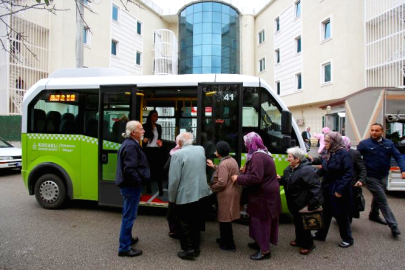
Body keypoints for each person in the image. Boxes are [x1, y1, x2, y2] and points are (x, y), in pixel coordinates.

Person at [231, 132, 281, 261]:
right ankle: (259, 242)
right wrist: (246, 170)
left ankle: (264, 251)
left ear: (251, 143)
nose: (244, 144)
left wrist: (239, 178)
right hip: (265, 193)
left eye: (246, 142)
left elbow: (256, 178)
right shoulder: (262, 153)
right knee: (256, 220)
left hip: (264, 195)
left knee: (261, 222)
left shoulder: (257, 156)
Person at [168, 132, 212, 260]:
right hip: (201, 193)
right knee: (196, 221)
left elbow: (174, 180)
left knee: (184, 223)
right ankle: (196, 248)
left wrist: (172, 198)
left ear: (180, 143)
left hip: (185, 195)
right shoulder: (200, 149)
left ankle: (188, 250)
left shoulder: (177, 155)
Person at [357, 123, 405, 237]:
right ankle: (393, 226)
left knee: (379, 195)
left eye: (377, 130)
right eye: (372, 130)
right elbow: (356, 158)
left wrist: (403, 170)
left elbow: (398, 156)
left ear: (382, 132)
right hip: (371, 176)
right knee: (383, 200)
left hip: (384, 175)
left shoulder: (389, 144)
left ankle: (373, 214)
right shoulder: (364, 144)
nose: (374, 132)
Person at [312, 132, 354, 248]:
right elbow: (325, 169)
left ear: (335, 142)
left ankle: (347, 238)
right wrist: (313, 173)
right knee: (325, 213)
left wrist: (340, 190)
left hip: (338, 188)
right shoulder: (329, 153)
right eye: (324, 141)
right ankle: (321, 234)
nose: (325, 144)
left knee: (341, 215)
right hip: (327, 187)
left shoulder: (344, 155)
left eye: (327, 141)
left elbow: (348, 174)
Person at [278, 147, 323, 255]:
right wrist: (280, 179)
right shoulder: (290, 168)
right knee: (298, 222)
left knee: (304, 224)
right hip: (294, 202)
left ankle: (309, 244)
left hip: (303, 203)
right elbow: (287, 180)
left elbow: (316, 188)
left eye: (289, 157)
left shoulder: (307, 170)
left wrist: (312, 204)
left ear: (297, 159)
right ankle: (299, 240)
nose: (287, 159)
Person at [116, 121, 150, 257]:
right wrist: (139, 182)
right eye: (141, 129)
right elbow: (129, 169)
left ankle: (127, 239)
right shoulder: (131, 146)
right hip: (131, 186)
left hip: (129, 186)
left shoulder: (130, 143)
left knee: (128, 215)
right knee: (129, 217)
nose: (143, 131)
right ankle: (124, 248)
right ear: (133, 132)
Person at [206, 141, 242, 252]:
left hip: (226, 194)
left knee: (225, 220)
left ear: (220, 152)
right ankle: (224, 239)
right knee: (225, 219)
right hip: (233, 192)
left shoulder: (223, 164)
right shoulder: (231, 160)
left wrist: (211, 189)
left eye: (216, 150)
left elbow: (222, 183)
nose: (215, 151)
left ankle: (229, 244)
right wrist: (214, 166)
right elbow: (226, 172)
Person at [342, 136, 366, 220]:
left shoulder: (354, 153)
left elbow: (362, 168)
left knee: (349, 205)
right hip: (338, 183)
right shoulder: (334, 152)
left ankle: (347, 221)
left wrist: (361, 180)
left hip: (351, 183)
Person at [163, 135, 182, 239]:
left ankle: (173, 230)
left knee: (172, 208)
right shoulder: (187, 153)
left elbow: (165, 168)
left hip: (174, 185)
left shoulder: (173, 153)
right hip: (183, 186)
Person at [142, 110, 164, 196]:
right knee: (149, 169)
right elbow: (143, 139)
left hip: (156, 149)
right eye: (154, 115)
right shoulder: (145, 126)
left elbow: (160, 138)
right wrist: (145, 140)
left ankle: (160, 189)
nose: (156, 117)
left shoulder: (159, 126)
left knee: (159, 170)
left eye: (157, 116)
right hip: (148, 150)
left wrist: (160, 143)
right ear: (150, 116)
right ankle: (149, 188)